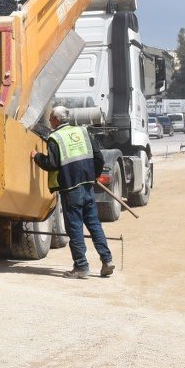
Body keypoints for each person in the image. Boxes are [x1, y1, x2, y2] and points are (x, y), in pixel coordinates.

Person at [31, 105, 115, 279]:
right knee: (94, 225)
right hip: (87, 187)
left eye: (51, 118)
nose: (49, 121)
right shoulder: (83, 132)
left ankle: (81, 266)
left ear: (56, 120)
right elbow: (98, 157)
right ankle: (107, 261)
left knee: (75, 227)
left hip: (70, 190)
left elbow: (51, 164)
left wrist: (36, 157)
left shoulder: (55, 138)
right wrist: (93, 176)